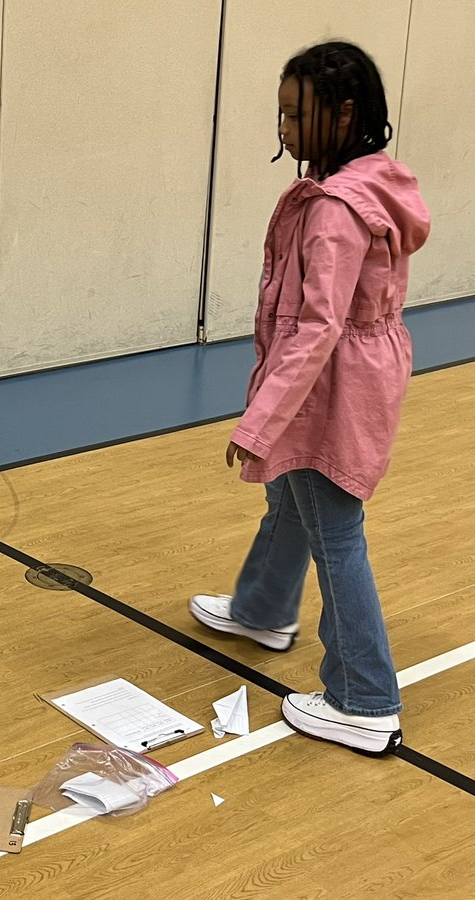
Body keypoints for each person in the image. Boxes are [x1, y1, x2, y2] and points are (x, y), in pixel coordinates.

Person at [189, 41, 430, 756]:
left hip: (332, 387)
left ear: (344, 113)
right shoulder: (365, 183)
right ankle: (264, 609)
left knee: (334, 527)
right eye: (282, 113)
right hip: (338, 374)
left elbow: (319, 327)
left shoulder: (335, 210)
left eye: (296, 114)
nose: (284, 128)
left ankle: (364, 698)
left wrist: (260, 421)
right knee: (293, 497)